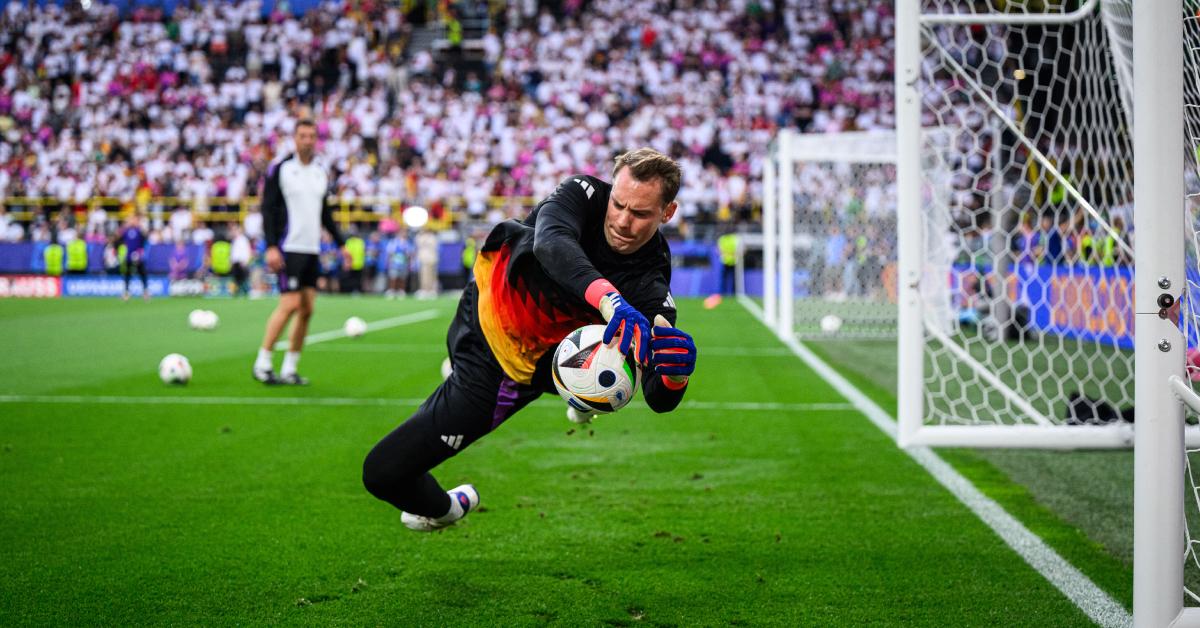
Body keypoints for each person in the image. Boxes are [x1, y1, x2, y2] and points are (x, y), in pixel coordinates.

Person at [362, 148, 699, 532]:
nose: (622, 220)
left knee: (383, 473)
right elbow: (551, 244)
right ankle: (584, 397)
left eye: (639, 213)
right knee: (458, 355)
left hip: (506, 371)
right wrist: (610, 299)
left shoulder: (651, 284)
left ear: (667, 213)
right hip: (482, 301)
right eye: (618, 204)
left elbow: (659, 396)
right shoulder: (583, 193)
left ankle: (446, 509)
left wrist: (676, 374)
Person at [252, 119, 345, 386]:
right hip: (287, 247)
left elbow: (324, 213)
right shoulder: (281, 169)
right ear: (294, 138)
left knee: (307, 309)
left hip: (311, 249)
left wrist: (341, 244)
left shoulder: (319, 172)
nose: (307, 140)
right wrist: (270, 245)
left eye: (311, 136)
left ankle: (290, 368)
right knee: (290, 304)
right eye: (302, 135)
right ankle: (263, 362)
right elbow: (267, 209)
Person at [114, 213, 149, 301]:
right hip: (129, 256)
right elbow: (118, 239)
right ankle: (126, 292)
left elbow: (144, 241)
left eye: (133, 219)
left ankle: (145, 292)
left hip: (138, 255)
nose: (132, 221)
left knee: (142, 273)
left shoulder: (139, 230)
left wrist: (140, 253)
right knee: (127, 274)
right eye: (130, 219)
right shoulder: (125, 231)